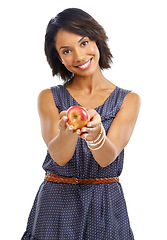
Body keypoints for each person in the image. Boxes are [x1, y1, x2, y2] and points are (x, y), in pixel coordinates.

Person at [21, 8, 141, 240]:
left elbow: (107, 157)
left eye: (84, 43)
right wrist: (68, 131)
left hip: (105, 200)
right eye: (67, 50)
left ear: (96, 39)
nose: (78, 56)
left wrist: (96, 134)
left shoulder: (128, 100)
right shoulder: (49, 97)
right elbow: (59, 156)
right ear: (59, 58)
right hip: (57, 200)